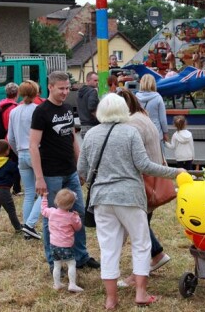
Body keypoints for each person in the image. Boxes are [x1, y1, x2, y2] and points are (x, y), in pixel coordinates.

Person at [77, 93, 184, 310]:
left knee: (108, 249)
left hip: (101, 198)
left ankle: (110, 299)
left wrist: (95, 182)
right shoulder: (130, 132)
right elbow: (145, 165)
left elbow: (81, 170)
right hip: (130, 197)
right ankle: (141, 293)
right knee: (141, 243)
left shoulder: (90, 135)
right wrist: (175, 172)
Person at [30, 71, 100, 273]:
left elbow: (71, 139)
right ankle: (55, 262)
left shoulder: (69, 108)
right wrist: (39, 178)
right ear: (50, 87)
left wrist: (80, 167)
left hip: (70, 171)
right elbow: (33, 145)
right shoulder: (41, 111)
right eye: (61, 88)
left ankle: (81, 256)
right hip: (50, 173)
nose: (65, 92)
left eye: (67, 88)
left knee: (77, 213)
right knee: (52, 218)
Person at [116, 89, 173, 288]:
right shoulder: (144, 117)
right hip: (154, 177)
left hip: (142, 181)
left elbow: (133, 155)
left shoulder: (131, 124)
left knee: (137, 227)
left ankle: (141, 269)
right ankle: (156, 254)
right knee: (140, 225)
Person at [8, 80, 42, 240]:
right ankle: (30, 224)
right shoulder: (38, 110)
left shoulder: (14, 111)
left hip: (21, 153)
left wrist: (18, 151)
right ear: (36, 93)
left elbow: (10, 137)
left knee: (29, 193)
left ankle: (27, 228)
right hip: (36, 152)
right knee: (44, 192)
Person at [41, 189, 83, 292]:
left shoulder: (51, 212)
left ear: (56, 201)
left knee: (56, 265)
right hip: (66, 246)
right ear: (71, 204)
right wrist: (78, 217)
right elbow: (78, 227)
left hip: (54, 245)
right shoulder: (71, 216)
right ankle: (72, 284)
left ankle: (57, 284)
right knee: (71, 264)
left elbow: (43, 210)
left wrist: (44, 198)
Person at [0, 82, 21, 195]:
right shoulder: (13, 108)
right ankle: (16, 189)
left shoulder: (2, 105)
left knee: (5, 163)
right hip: (11, 140)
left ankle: (3, 185)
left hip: (3, 138)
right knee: (15, 165)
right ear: (17, 93)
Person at [136, 74, 169, 150]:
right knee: (159, 158)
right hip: (156, 132)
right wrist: (165, 132)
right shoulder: (158, 98)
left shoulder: (136, 97)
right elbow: (163, 119)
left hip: (140, 131)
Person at [76, 71, 99, 138]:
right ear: (88, 80)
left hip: (83, 126)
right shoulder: (92, 91)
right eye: (95, 80)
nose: (97, 82)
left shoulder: (79, 92)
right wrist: (101, 119)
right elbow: (92, 107)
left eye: (97, 80)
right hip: (92, 126)